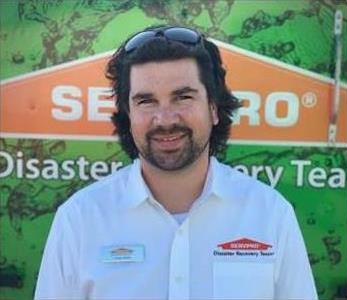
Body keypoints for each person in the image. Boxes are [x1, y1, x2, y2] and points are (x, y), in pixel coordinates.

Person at [35, 25, 318, 300]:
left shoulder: (270, 214)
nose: (166, 119)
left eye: (182, 97)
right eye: (146, 101)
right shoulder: (80, 220)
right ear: (128, 115)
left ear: (214, 109)